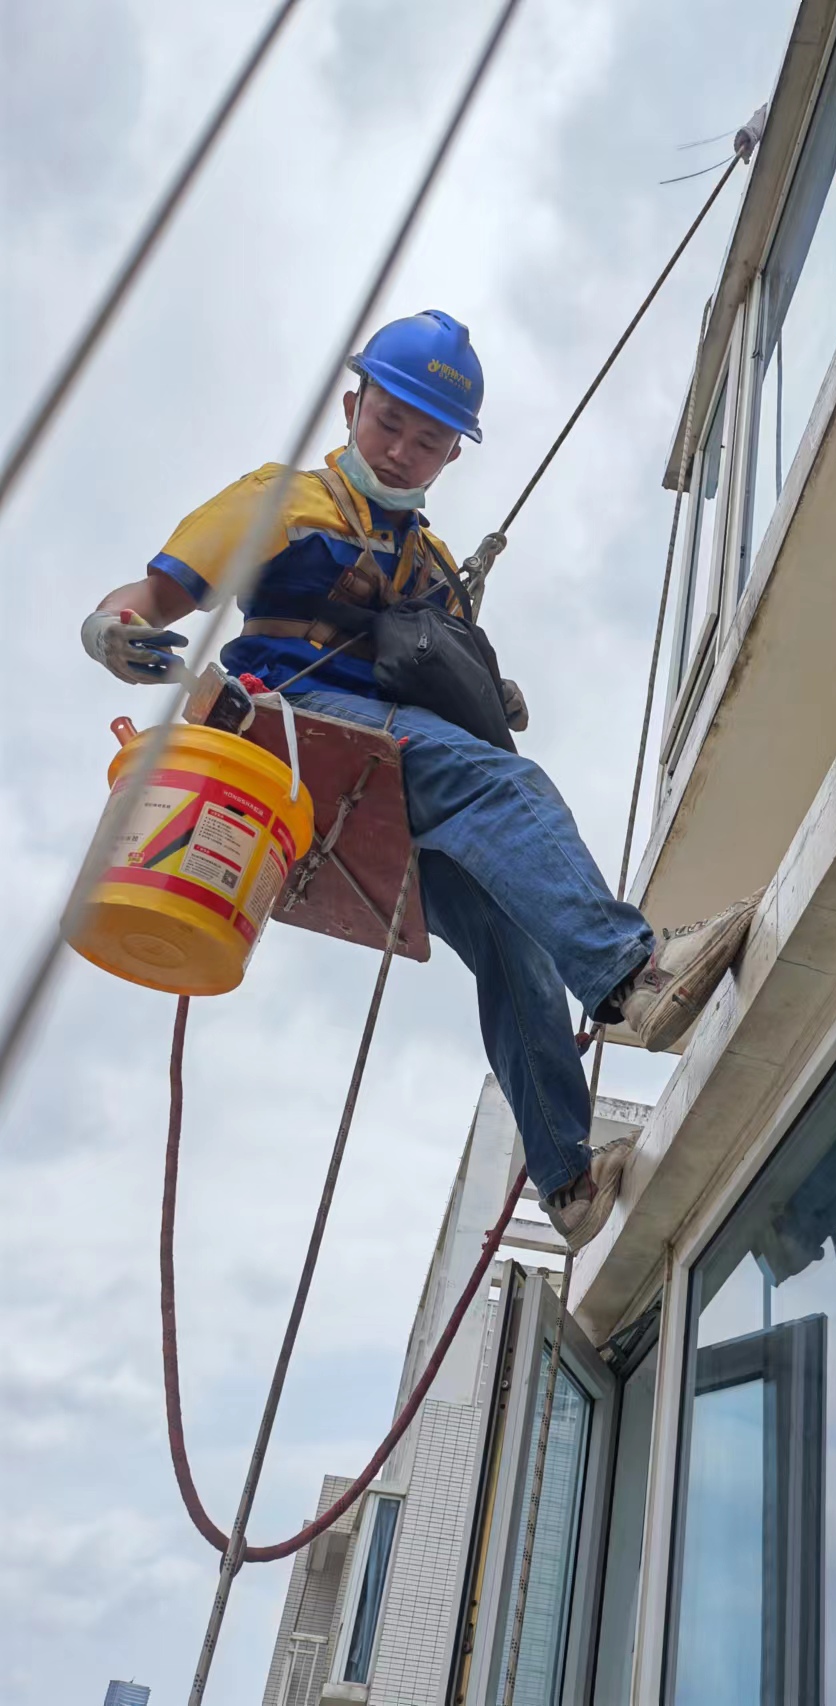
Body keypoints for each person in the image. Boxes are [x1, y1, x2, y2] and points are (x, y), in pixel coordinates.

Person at [82, 310, 758, 1250]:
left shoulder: (433, 566)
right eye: (388, 423)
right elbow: (148, 599)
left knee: (512, 932)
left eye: (427, 439)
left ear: (451, 456)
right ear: (353, 406)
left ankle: (566, 1179)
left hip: (374, 765)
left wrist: (494, 686)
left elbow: (444, 671)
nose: (401, 451)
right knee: (506, 791)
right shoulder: (281, 501)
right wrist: (112, 631)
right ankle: (631, 976)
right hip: (285, 734)